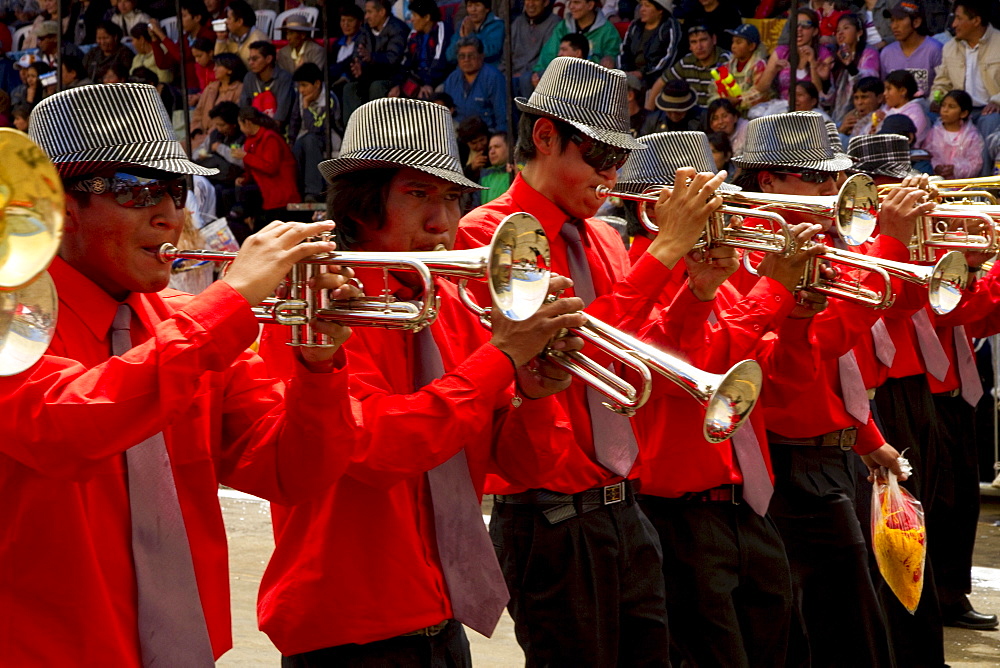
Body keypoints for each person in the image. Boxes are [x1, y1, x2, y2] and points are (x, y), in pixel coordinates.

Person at [1, 82, 358, 665]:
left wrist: (319, 367)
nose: (169, 214)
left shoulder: (189, 329)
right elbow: (70, 423)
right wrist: (232, 302)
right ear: (60, 208)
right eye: (137, 190)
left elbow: (294, 473)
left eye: (175, 187)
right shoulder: (12, 319)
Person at [255, 95, 586, 666]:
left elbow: (526, 468)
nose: (442, 222)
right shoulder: (315, 305)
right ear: (361, 206)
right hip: (347, 630)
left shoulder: (455, 307)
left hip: (441, 620)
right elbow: (381, 447)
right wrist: (502, 358)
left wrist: (536, 393)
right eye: (417, 194)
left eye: (451, 198)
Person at [456, 55, 724, 667]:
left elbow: (638, 355)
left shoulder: (602, 235)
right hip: (549, 520)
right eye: (598, 158)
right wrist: (667, 251)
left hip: (624, 507)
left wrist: (697, 288)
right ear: (546, 137)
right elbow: (574, 343)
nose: (610, 176)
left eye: (617, 160)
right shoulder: (488, 235)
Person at [731, 110, 922, 668]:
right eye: (815, 175)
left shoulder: (822, 236)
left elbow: (898, 306)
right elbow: (825, 339)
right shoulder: (752, 248)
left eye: (834, 176)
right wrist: (887, 243)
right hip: (787, 462)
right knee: (836, 632)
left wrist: (908, 245)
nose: (831, 187)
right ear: (767, 179)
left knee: (837, 628)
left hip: (828, 452)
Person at [929, 0, 1000, 142]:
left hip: (990, 110)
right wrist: (936, 99)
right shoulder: (950, 48)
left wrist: (997, 101)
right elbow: (941, 83)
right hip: (959, 109)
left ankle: (985, 165)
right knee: (926, 111)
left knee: (990, 120)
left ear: (976, 21)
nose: (953, 24)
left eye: (959, 18)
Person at [232, 106, 301, 227]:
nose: (241, 130)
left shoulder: (270, 138)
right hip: (267, 197)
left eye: (240, 125)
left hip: (282, 198)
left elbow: (271, 167)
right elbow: (252, 167)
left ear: (247, 122)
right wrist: (245, 178)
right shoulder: (250, 141)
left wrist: (245, 156)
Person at [343, 0, 408, 123]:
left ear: (382, 12)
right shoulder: (365, 29)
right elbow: (358, 53)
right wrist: (358, 66)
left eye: (369, 12)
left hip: (392, 78)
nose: (366, 16)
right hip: (369, 76)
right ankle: (353, 134)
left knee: (376, 87)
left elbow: (393, 59)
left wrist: (372, 58)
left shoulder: (398, 29)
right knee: (350, 88)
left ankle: (376, 134)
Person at [755, 7, 833, 106]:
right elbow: (761, 89)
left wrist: (812, 63)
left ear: (815, 31)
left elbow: (819, 96)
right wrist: (773, 70)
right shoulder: (781, 51)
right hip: (783, 108)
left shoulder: (823, 54)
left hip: (810, 110)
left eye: (805, 25)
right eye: (795, 25)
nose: (799, 29)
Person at [648, 24, 730, 110]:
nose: (699, 47)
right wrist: (648, 114)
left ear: (714, 40)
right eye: (693, 42)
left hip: (718, 115)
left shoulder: (725, 61)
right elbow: (661, 82)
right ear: (690, 46)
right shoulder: (686, 61)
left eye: (703, 40)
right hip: (694, 117)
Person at [535, 0, 623, 74]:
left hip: (593, 80)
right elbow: (549, 55)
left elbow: (612, 55)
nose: (571, 7)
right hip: (560, 76)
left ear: (590, 5)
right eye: (570, 2)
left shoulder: (608, 30)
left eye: (576, 2)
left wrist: (610, 59)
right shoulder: (562, 27)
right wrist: (539, 73)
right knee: (527, 79)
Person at [879, 0, 942, 101]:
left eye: (900, 19)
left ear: (916, 22)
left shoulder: (934, 49)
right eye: (892, 20)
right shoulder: (887, 53)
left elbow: (943, 85)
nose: (894, 26)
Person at [148, 0, 217, 92]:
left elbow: (181, 55)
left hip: (202, 89)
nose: (179, 20)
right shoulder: (185, 38)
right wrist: (154, 39)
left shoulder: (208, 35)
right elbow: (163, 63)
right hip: (184, 88)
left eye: (184, 16)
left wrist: (161, 34)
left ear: (197, 18)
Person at [289, 62, 334, 203]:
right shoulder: (300, 98)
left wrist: (307, 106)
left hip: (326, 139)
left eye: (304, 85)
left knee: (309, 140)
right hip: (307, 138)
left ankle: (313, 192)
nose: (301, 90)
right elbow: (294, 122)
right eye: (299, 86)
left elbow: (316, 128)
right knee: (296, 146)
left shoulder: (329, 99)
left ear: (317, 84)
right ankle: (297, 191)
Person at [389, 0, 453, 99]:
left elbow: (439, 61)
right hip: (417, 77)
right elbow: (406, 62)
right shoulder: (414, 34)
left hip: (437, 78)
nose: (412, 19)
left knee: (425, 97)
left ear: (427, 17)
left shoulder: (441, 28)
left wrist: (428, 83)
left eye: (415, 15)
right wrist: (398, 84)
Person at [442, 36, 507, 133]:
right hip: (458, 133)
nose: (466, 60)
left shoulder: (494, 78)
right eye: (462, 56)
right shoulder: (452, 79)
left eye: (471, 56)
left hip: (485, 134)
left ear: (481, 56)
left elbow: (502, 116)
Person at [827, 12, 880, 124]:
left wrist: (850, 67)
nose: (840, 33)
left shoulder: (869, 53)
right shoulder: (836, 56)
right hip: (837, 117)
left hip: (862, 114)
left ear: (859, 32)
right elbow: (828, 99)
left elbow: (868, 86)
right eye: (837, 30)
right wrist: (823, 79)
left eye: (846, 28)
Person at [618, 0, 682, 89]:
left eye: (647, 6)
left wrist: (643, 73)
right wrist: (625, 70)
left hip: (655, 78)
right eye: (641, 5)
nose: (642, 10)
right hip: (631, 74)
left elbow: (668, 58)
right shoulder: (635, 26)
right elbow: (624, 51)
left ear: (660, 10)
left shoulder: (670, 27)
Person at [191, 52, 245, 153]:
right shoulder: (210, 88)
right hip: (199, 136)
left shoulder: (240, 89)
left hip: (219, 139)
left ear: (229, 70)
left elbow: (230, 118)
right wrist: (196, 132)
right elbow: (197, 113)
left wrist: (210, 135)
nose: (214, 69)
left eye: (218, 66)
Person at [925, 89, 985, 179]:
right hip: (937, 182)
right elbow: (928, 154)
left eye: (951, 107)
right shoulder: (934, 132)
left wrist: (956, 169)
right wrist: (936, 166)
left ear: (963, 113)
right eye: (943, 105)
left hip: (963, 185)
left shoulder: (971, 135)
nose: (945, 110)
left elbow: (975, 163)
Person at [714, 23, 770, 114]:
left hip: (756, 113)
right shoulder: (729, 65)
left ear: (751, 46)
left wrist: (739, 100)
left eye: (738, 42)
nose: (733, 46)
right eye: (733, 42)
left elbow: (760, 93)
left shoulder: (759, 65)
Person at [509, 0, 561, 97]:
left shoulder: (555, 24)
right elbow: (506, 56)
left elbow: (547, 57)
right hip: (513, 73)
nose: (531, 4)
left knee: (526, 79)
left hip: (534, 74)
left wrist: (523, 73)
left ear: (546, 2)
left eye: (536, 0)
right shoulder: (518, 22)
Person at [239, 40, 296, 129]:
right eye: (249, 59)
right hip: (251, 129)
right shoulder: (249, 77)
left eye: (255, 59)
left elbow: (280, 119)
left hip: (277, 130)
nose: (250, 63)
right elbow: (243, 109)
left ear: (269, 59)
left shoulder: (284, 78)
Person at [876, 69, 929, 146]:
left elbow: (908, 141)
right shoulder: (886, 109)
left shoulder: (916, 113)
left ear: (903, 91)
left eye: (889, 89)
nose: (884, 93)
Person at [447, 0, 504, 65]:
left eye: (477, 5)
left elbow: (491, 51)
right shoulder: (463, 24)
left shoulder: (497, 25)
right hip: (464, 70)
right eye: (469, 6)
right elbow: (450, 56)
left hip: (487, 69)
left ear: (487, 9)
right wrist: (461, 38)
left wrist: (470, 35)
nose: (473, 9)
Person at [213, 0, 270, 66]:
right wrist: (221, 39)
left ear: (239, 21)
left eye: (229, 18)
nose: (226, 22)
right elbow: (220, 63)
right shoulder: (232, 37)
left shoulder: (258, 40)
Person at [838, 75, 883, 139]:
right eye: (856, 98)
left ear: (879, 98)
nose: (859, 102)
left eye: (864, 97)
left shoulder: (883, 119)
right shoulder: (850, 117)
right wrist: (841, 130)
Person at [479, 131, 510, 203]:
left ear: (510, 148)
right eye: (490, 148)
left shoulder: (521, 171)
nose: (492, 152)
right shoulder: (484, 175)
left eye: (497, 147)